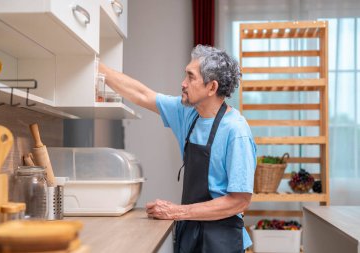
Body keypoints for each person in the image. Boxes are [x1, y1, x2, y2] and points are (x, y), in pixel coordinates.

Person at [99, 45, 256, 253]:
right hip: (189, 234)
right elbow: (142, 94)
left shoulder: (236, 131)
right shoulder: (188, 114)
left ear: (211, 87)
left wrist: (176, 211)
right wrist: (96, 67)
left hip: (222, 240)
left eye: (191, 77)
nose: (183, 84)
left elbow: (239, 202)